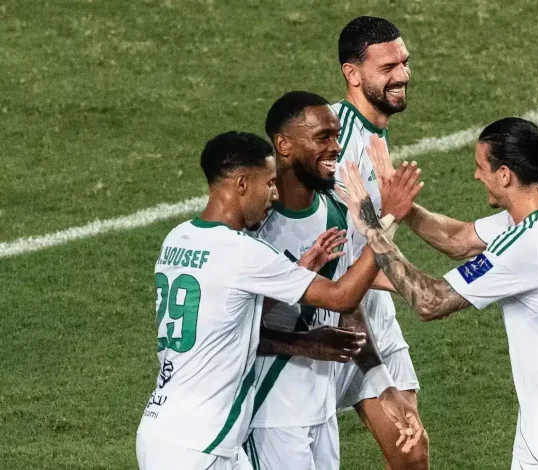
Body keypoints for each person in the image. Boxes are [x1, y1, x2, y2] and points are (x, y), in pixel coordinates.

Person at [136, 131, 421, 470]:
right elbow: (342, 297)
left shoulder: (178, 238)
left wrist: (298, 275)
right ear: (242, 184)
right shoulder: (243, 252)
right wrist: (387, 220)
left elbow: (226, 316)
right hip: (200, 445)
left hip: (166, 426)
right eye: (269, 183)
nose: (274, 194)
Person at [340, 117, 538, 470]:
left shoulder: (531, 244)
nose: (476, 175)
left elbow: (430, 301)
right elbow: (459, 240)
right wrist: (403, 208)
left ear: (505, 175)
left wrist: (374, 227)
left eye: (481, 167)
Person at [243, 91, 422, 469]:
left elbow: (348, 304)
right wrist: (389, 220)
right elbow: (235, 326)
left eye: (337, 136)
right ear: (284, 145)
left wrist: (383, 384)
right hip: (273, 409)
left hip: (319, 404)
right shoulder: (255, 224)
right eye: (323, 137)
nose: (336, 147)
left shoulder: (333, 211)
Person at [331, 16, 429, 470]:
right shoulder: (332, 143)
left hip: (374, 312)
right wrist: (421, 289)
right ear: (353, 74)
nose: (403, 75)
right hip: (333, 321)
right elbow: (333, 263)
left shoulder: (373, 133)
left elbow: (369, 240)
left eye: (404, 63)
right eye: (388, 67)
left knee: (412, 453)